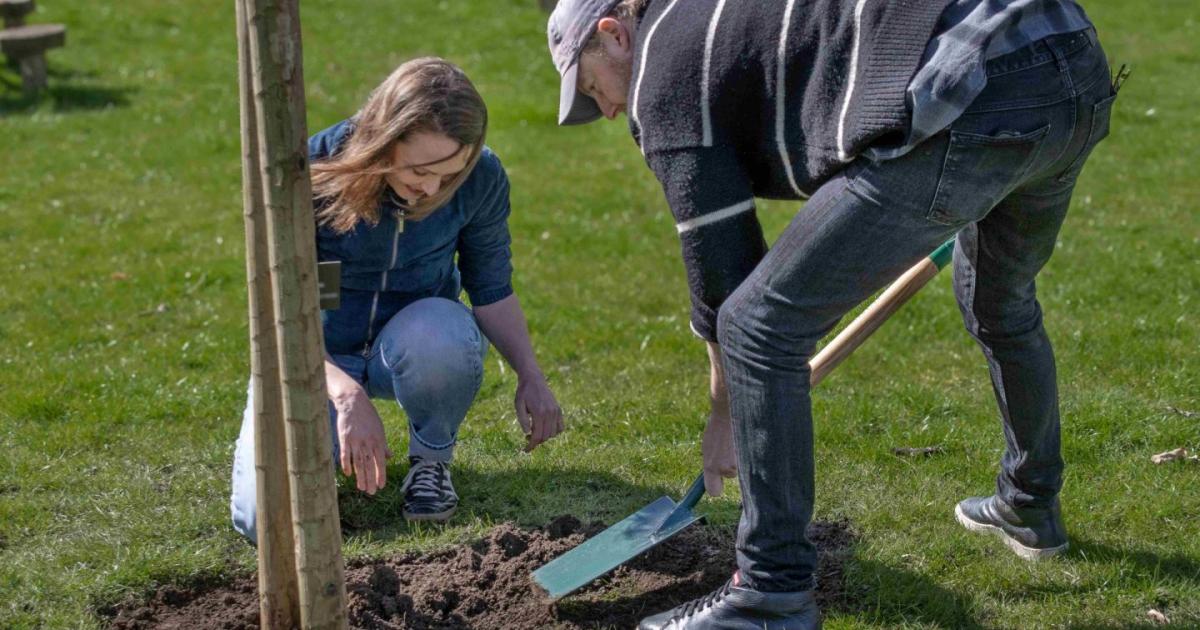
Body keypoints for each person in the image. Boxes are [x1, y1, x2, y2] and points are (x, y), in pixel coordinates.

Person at [547, 0, 1116, 627]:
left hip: (977, 86)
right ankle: (1029, 506)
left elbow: (722, 275)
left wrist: (725, 414)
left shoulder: (661, 73)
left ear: (613, 34)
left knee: (757, 327)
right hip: (1068, 59)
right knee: (998, 300)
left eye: (593, 88)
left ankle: (770, 594)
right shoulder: (698, 15)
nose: (606, 111)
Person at [231, 57, 564, 543]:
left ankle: (430, 462)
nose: (431, 188)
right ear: (384, 139)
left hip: (411, 343)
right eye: (420, 170)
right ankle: (323, 453)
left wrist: (530, 374)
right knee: (264, 521)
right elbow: (283, 315)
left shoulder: (482, 179)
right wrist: (345, 394)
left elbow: (491, 289)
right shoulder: (314, 171)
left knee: (442, 330)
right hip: (316, 356)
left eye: (448, 175)